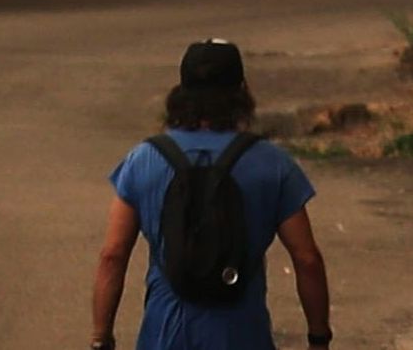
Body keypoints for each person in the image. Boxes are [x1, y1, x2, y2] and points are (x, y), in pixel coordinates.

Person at [92, 37, 329, 350]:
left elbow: (113, 256)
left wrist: (101, 337)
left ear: (181, 93)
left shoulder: (144, 159)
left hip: (165, 334)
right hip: (243, 335)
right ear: (243, 90)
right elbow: (306, 257)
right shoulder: (271, 163)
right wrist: (318, 337)